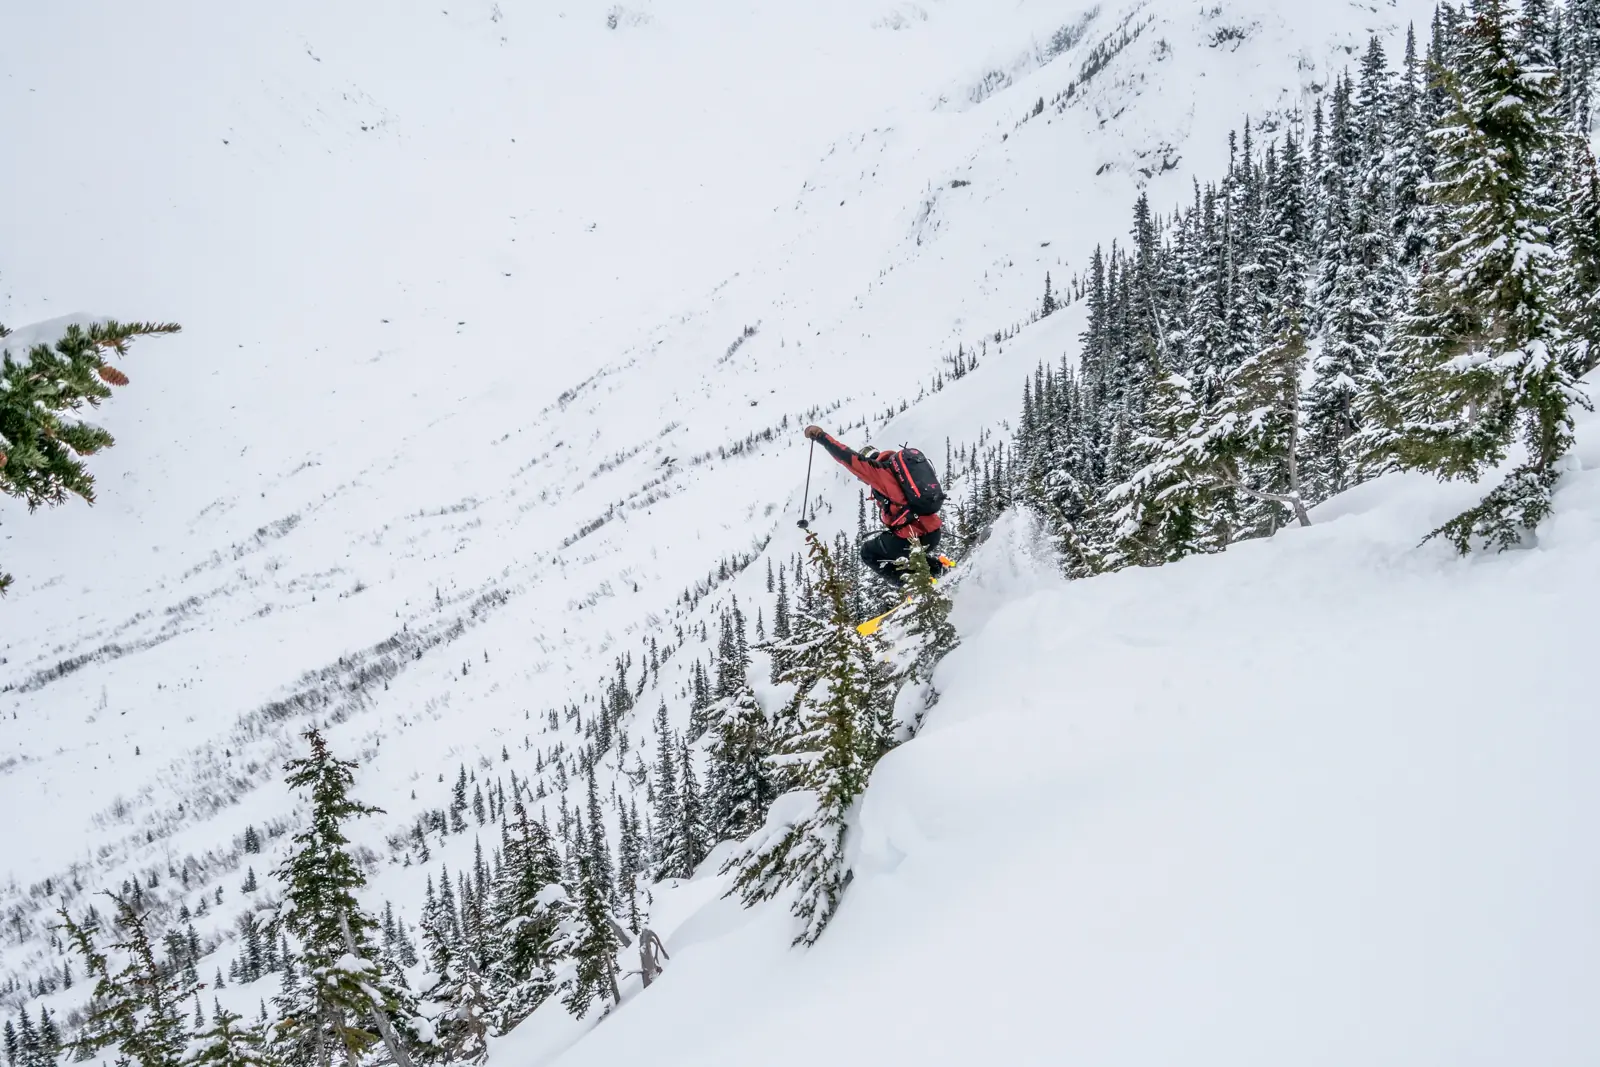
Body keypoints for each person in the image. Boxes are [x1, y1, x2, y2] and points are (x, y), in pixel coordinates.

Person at [803, 425, 946, 587]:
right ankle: (939, 570)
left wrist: (821, 436)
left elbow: (847, 457)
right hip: (933, 533)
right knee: (902, 550)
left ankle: (912, 586)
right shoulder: (898, 474)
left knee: (869, 553)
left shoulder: (879, 473)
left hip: (914, 538)